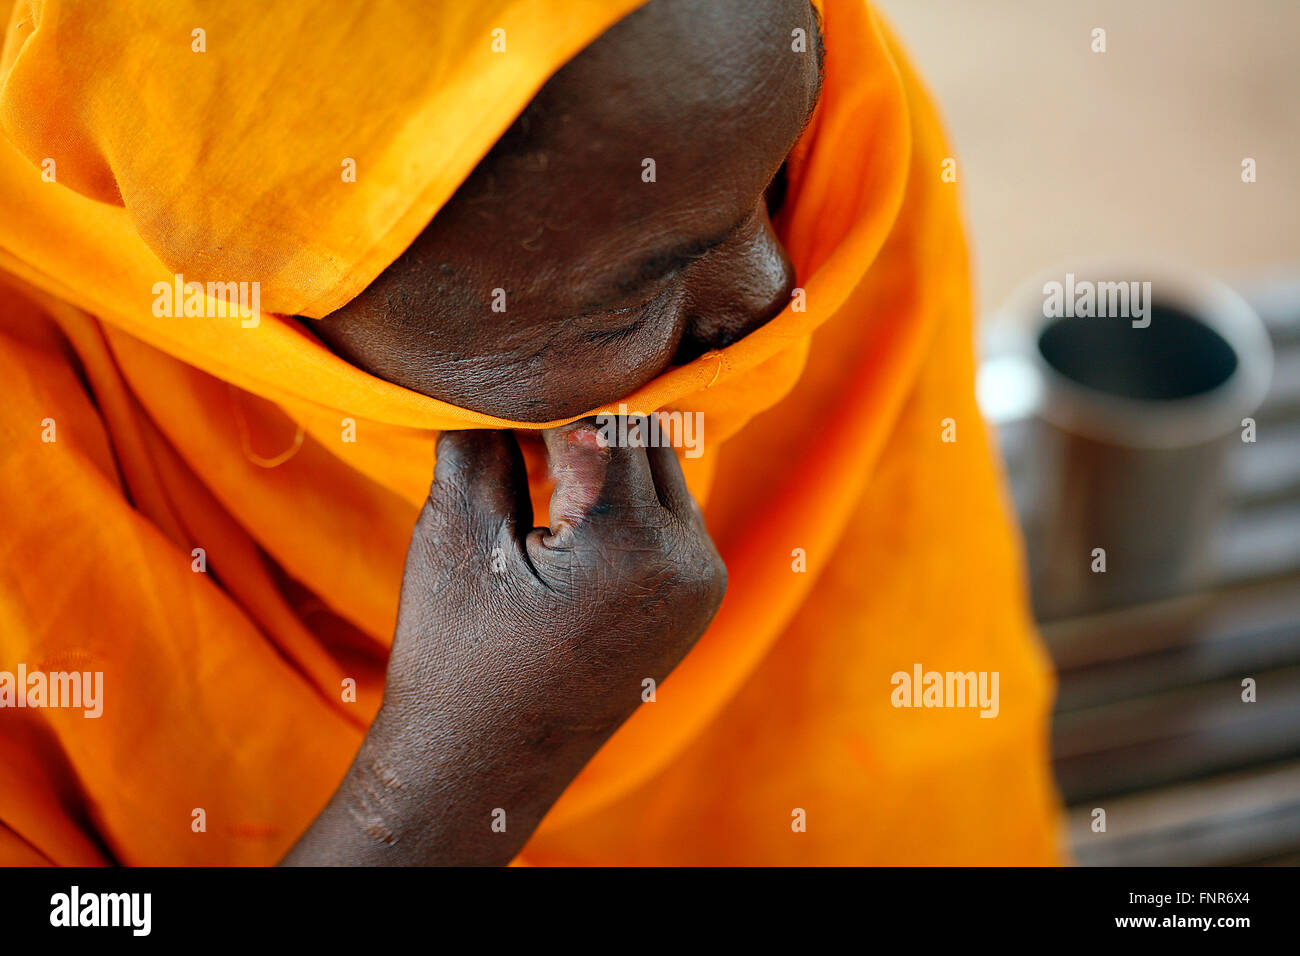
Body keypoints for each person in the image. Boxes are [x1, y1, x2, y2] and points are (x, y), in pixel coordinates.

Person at [0, 0, 1064, 865]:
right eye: (622, 303)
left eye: (771, 179)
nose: (776, 292)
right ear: (274, 295)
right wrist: (450, 781)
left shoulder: (840, 149)